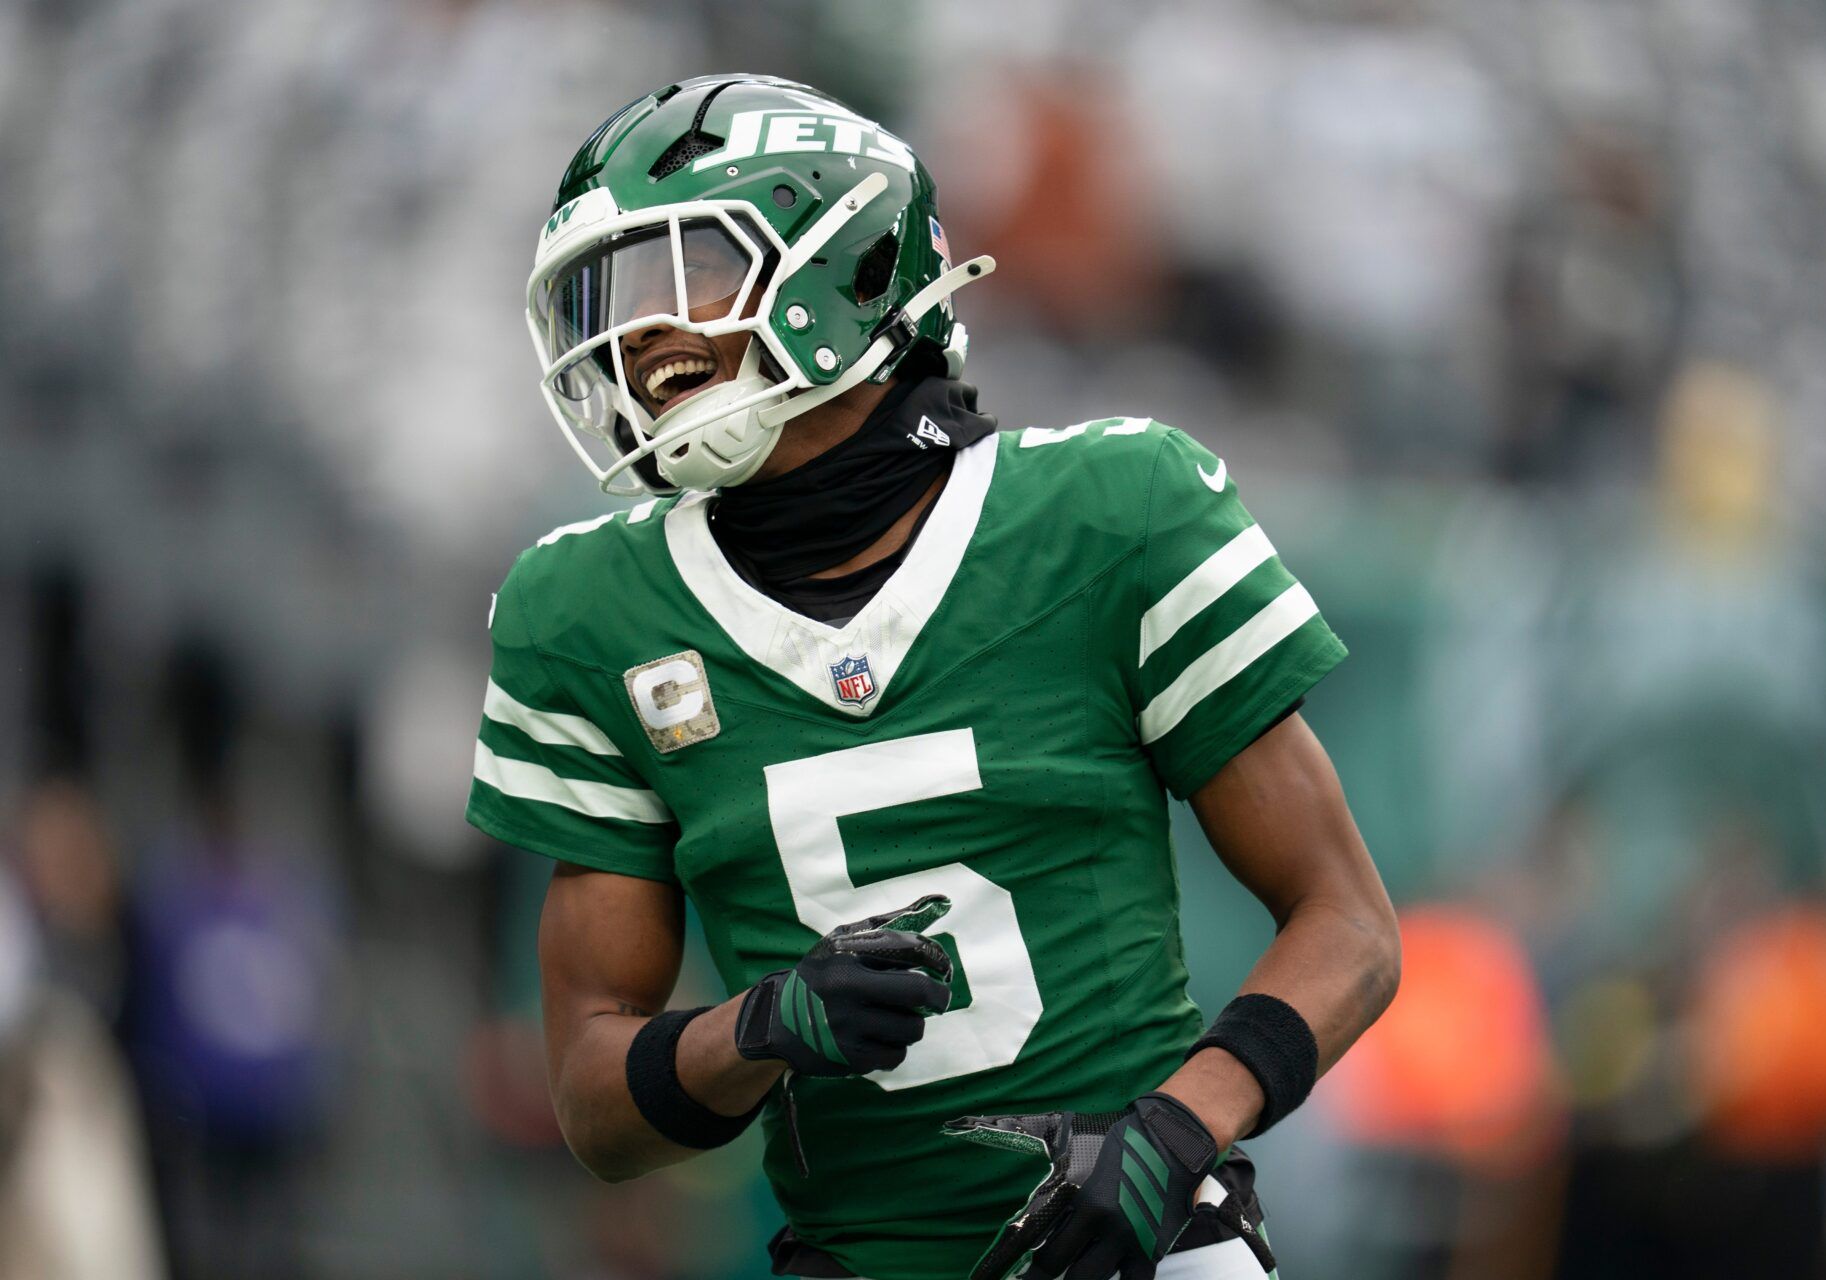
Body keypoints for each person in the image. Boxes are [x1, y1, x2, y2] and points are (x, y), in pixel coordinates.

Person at [467, 74, 1400, 1280]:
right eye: (610, 296)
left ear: (845, 268)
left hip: (1153, 1250)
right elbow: (596, 1103)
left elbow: (1352, 925)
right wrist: (758, 1028)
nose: (636, 334)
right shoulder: (588, 611)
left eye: (675, 275)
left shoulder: (1112, 514)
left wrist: (1177, 1128)